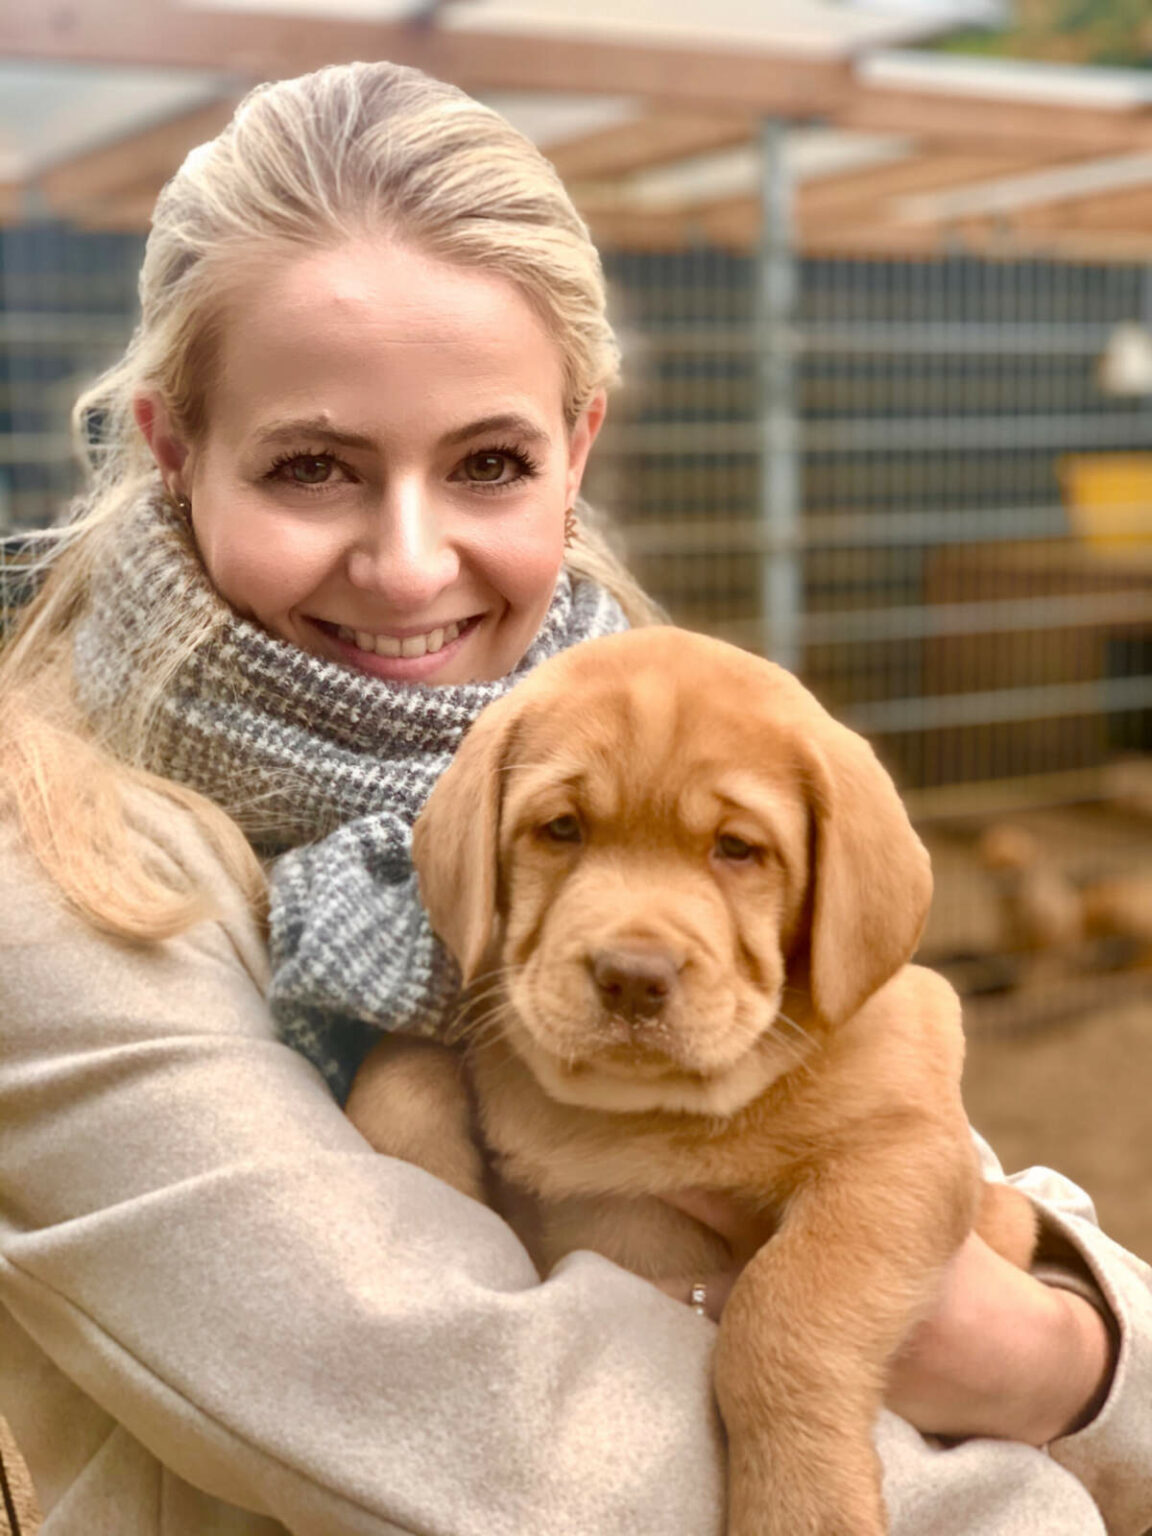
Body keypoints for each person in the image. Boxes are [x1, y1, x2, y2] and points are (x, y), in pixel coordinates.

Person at [0, 61, 1148, 1536]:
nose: (409, 567)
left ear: (576, 447)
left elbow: (938, 1194)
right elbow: (497, 1444)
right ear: (173, 450)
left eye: (488, 462)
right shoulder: (57, 872)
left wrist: (1072, 1355)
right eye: (311, 468)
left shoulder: (632, 715)